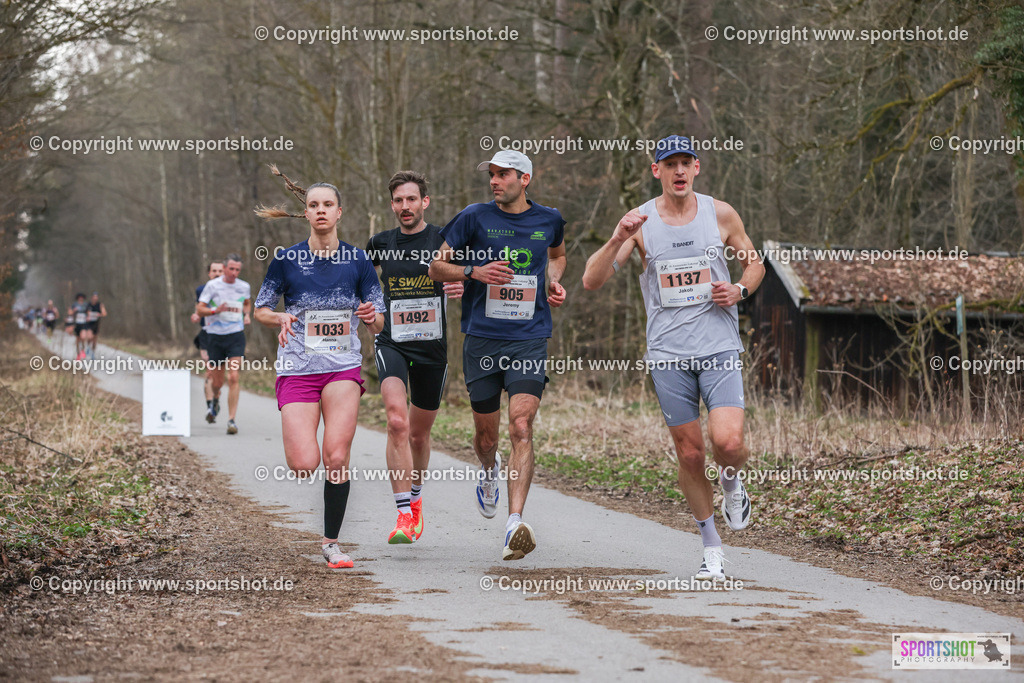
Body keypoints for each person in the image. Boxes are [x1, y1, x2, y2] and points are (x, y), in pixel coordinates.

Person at [581, 135, 765, 579]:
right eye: (670, 164)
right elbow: (591, 280)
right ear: (656, 170)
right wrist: (616, 238)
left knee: (728, 444)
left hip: (718, 347)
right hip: (667, 354)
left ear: (697, 168)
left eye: (686, 163)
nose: (679, 171)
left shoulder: (720, 213)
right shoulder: (640, 222)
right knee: (690, 453)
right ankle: (712, 549)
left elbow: (755, 264)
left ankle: (733, 481)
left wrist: (739, 289)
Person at [428, 150, 567, 561]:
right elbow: (436, 267)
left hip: (529, 337)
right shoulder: (473, 217)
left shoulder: (549, 219)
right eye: (490, 174)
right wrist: (474, 272)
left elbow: (557, 257)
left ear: (525, 178)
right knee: (487, 438)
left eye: (502, 174)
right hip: (482, 340)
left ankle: (514, 523)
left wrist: (553, 283)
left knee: (521, 426)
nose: (494, 181)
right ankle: (489, 471)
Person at [254, 178, 385, 569]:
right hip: (297, 368)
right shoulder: (286, 259)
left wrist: (370, 317)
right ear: (306, 213)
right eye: (314, 205)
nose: (322, 210)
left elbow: (378, 321)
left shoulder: (358, 261)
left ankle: (332, 543)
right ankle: (327, 527)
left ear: (339, 212)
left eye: (329, 204)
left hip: (342, 368)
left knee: (336, 456)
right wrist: (278, 315)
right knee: (304, 463)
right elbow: (260, 309)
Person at [367, 171, 463, 544]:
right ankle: (403, 512)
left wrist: (459, 283)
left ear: (424, 202)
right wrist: (367, 306)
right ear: (391, 205)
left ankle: (417, 501)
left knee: (420, 436)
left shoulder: (444, 239)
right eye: (398, 201)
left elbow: (470, 276)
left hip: (431, 348)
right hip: (391, 339)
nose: (404, 207)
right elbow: (358, 277)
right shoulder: (380, 243)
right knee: (396, 422)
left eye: (411, 199)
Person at [196, 254, 250, 434]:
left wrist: (247, 314)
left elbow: (247, 303)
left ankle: (231, 420)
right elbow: (200, 309)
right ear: (225, 269)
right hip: (215, 337)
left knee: (233, 376)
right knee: (217, 382)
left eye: (237, 270)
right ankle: (216, 399)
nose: (234, 273)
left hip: (235, 335)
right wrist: (215, 310)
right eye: (231, 269)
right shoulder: (212, 286)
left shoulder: (244, 286)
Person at [191, 260, 224, 421]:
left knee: (218, 375)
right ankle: (210, 406)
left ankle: (216, 400)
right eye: (214, 271)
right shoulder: (201, 290)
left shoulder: (232, 290)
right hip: (207, 334)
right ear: (209, 273)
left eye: (220, 271)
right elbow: (199, 307)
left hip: (225, 336)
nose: (217, 274)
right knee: (210, 370)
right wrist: (197, 314)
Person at [69, 293, 91, 360]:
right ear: (77, 298)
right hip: (77, 323)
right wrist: (73, 311)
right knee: (78, 340)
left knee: (83, 337)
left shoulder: (86, 305)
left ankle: (83, 350)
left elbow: (88, 312)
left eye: (82, 297)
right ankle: (78, 354)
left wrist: (88, 317)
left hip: (83, 323)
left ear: (83, 298)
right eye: (79, 297)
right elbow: (70, 313)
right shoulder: (74, 304)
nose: (80, 298)